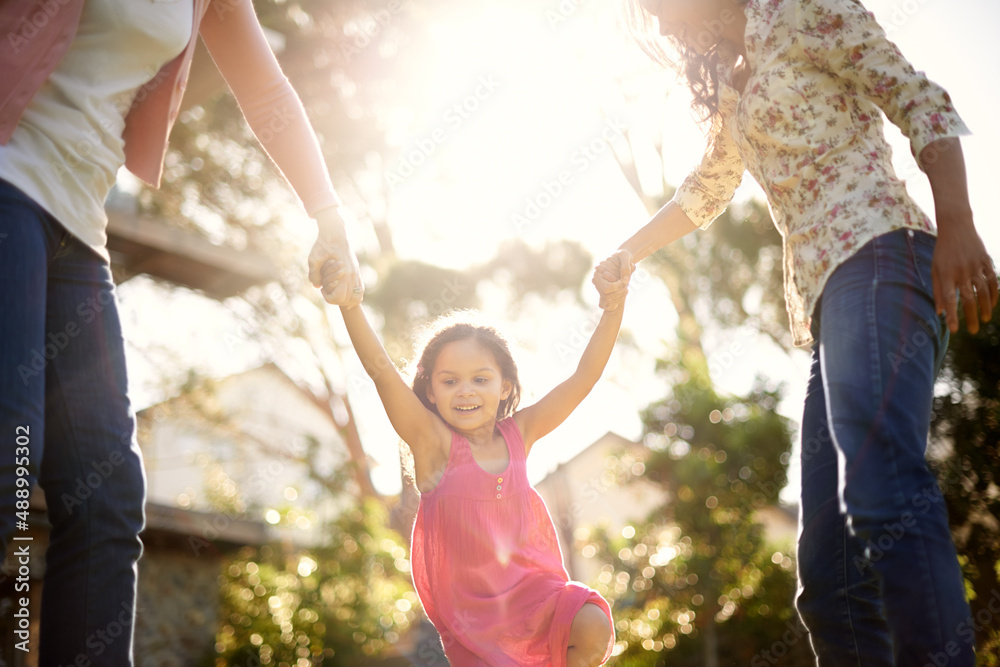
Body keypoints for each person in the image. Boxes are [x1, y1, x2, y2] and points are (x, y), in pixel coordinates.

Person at [593, 0, 998, 664]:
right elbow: (705, 189)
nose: (662, 24)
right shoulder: (733, 82)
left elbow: (918, 98)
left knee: (882, 485)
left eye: (661, 5)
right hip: (828, 304)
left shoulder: (807, 10)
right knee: (829, 579)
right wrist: (627, 253)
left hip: (882, 255)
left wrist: (958, 220)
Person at [0, 0, 363, 662]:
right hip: (6, 184)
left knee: (106, 497)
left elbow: (266, 88)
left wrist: (327, 214)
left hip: (78, 228)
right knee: (8, 454)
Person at [320, 258, 621, 666]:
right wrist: (349, 305)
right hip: (476, 620)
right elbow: (383, 374)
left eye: (480, 379)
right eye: (450, 381)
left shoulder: (521, 433)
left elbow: (583, 377)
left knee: (591, 624)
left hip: (536, 593)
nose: (466, 391)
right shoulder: (434, 445)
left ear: (505, 386)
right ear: (430, 390)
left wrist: (613, 304)